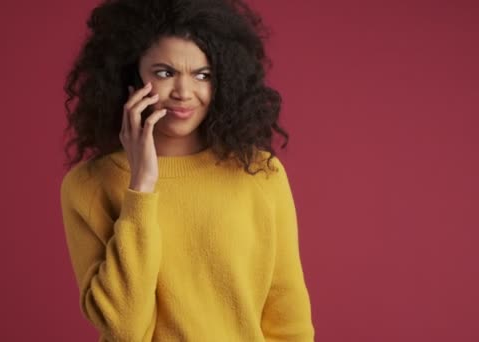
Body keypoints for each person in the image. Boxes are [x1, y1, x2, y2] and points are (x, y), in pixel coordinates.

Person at [59, 0, 315, 340]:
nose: (183, 92)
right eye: (164, 72)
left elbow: (289, 318)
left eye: (202, 75)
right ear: (131, 76)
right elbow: (124, 327)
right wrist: (142, 188)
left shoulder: (259, 174)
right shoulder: (89, 186)